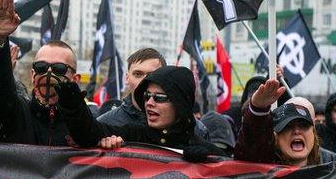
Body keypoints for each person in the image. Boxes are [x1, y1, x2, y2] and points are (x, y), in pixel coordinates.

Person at [57, 66, 227, 162]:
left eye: (160, 98)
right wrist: (73, 106)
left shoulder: (206, 150)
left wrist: (206, 167)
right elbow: (88, 133)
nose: (149, 103)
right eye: (147, 96)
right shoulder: (132, 134)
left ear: (180, 104)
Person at [0, 0, 80, 146]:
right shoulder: (16, 116)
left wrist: (109, 142)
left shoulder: (85, 123)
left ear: (75, 78)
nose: (48, 73)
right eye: (41, 67)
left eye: (58, 68)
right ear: (33, 75)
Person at [97, 48, 209, 140]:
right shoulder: (106, 125)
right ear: (127, 78)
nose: (144, 81)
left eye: (153, 75)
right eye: (137, 74)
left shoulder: (197, 130)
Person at [234, 80, 336, 166]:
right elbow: (251, 149)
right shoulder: (264, 166)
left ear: (313, 132)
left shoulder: (333, 166)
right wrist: (257, 110)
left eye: (304, 125)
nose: (296, 131)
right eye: (287, 126)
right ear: (276, 136)